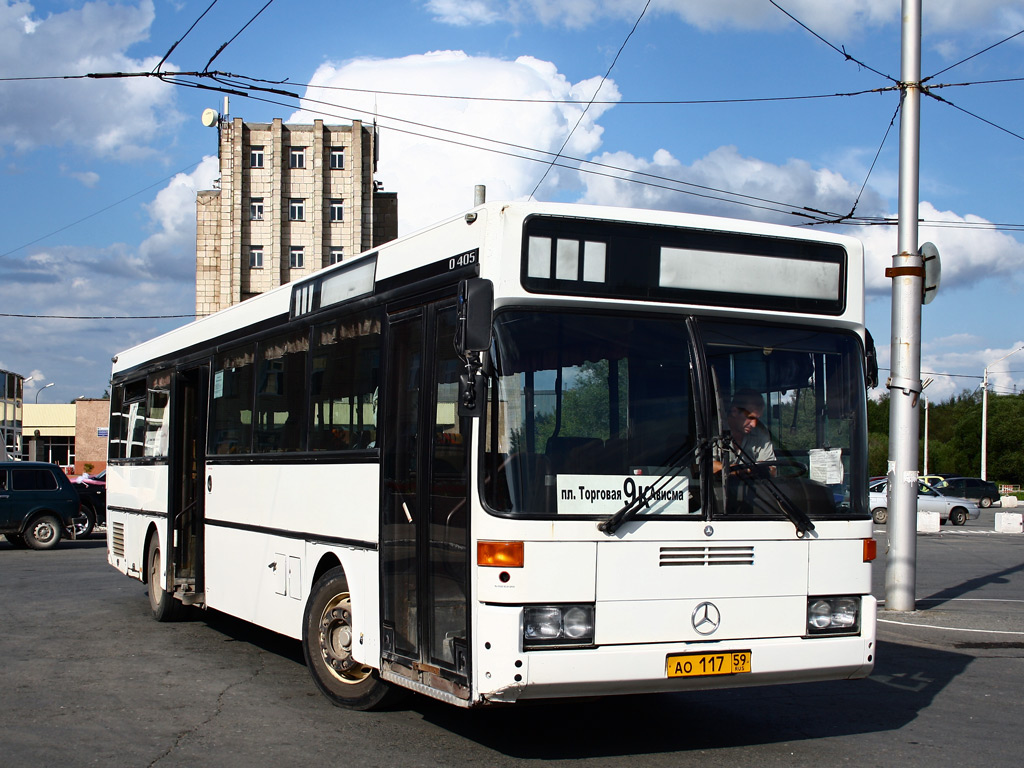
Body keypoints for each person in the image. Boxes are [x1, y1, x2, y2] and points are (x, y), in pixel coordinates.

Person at [714, 389, 776, 475]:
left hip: (753, 487)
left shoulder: (760, 432)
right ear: (735, 411)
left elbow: (772, 470)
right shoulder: (713, 430)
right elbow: (706, 466)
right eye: (750, 418)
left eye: (757, 419)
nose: (754, 424)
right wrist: (747, 470)